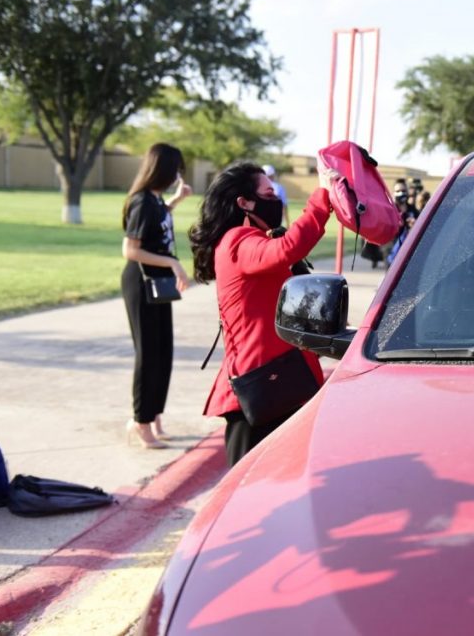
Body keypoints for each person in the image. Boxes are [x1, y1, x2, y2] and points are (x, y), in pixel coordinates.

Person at [188, 162, 335, 466]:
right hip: (259, 390)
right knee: (245, 499)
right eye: (268, 192)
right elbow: (288, 249)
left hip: (282, 383)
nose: (276, 200)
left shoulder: (257, 239)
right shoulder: (236, 242)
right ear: (244, 202)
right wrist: (322, 197)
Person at [121, 143, 192, 449]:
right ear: (162, 169)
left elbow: (157, 226)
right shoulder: (140, 201)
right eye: (175, 168)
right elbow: (131, 249)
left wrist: (175, 201)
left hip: (158, 284)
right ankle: (140, 421)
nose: (178, 173)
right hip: (141, 283)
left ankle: (154, 414)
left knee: (164, 352)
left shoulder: (156, 200)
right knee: (148, 354)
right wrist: (173, 263)